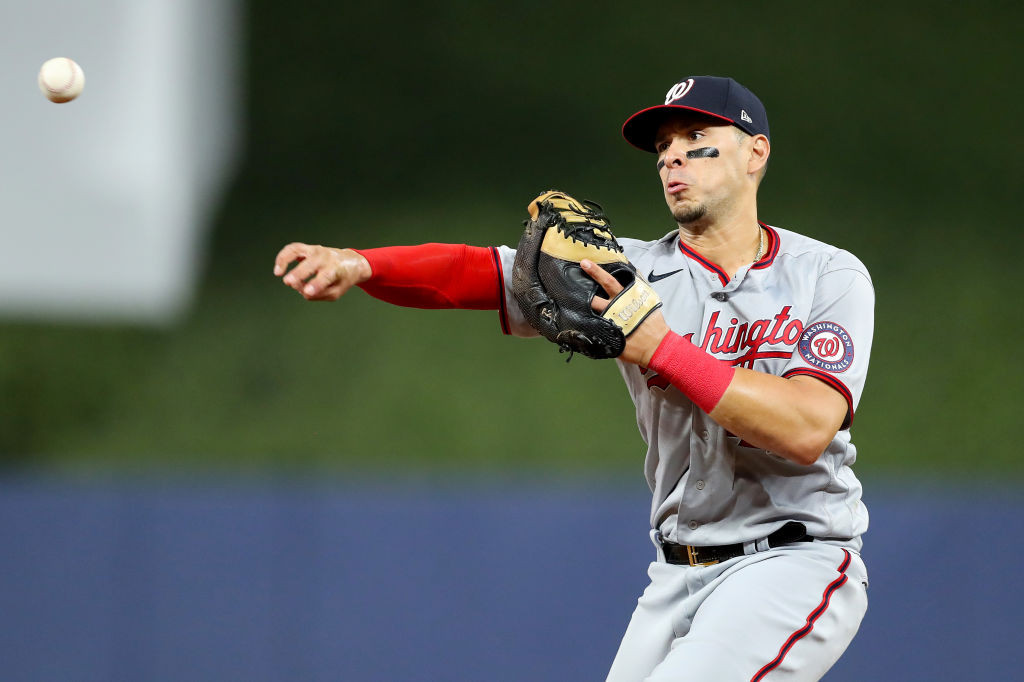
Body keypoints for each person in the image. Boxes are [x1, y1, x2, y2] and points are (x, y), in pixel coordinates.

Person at [273, 76, 872, 681]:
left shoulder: (827, 276)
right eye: (663, 147)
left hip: (794, 559)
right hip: (675, 572)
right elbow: (476, 273)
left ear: (756, 152)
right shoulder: (625, 274)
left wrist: (661, 347)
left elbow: (806, 427)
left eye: (697, 138)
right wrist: (361, 264)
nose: (673, 158)